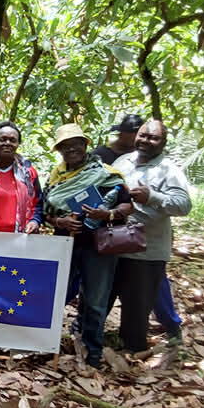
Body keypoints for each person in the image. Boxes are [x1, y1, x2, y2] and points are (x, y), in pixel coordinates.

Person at [43, 123, 132, 367]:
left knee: (95, 300)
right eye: (65, 146)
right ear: (59, 150)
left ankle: (92, 352)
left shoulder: (105, 173)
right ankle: (48, 345)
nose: (71, 149)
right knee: (55, 295)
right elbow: (46, 210)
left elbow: (127, 205)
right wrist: (60, 220)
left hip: (99, 246)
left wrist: (107, 215)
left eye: (76, 144)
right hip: (64, 244)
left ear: (85, 145)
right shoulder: (56, 176)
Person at [109, 120, 191, 352]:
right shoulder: (123, 162)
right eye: (143, 135)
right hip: (113, 244)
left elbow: (183, 205)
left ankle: (132, 353)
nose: (146, 141)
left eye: (153, 138)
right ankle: (90, 342)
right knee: (100, 298)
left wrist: (152, 197)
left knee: (137, 307)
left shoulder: (169, 170)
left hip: (146, 251)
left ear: (163, 143)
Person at [0, 121, 43, 233]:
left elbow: (38, 203)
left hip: (19, 238)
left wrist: (34, 221)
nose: (7, 143)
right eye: (2, 139)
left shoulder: (28, 173)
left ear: (18, 144)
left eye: (12, 140)